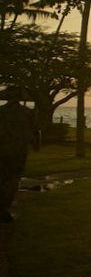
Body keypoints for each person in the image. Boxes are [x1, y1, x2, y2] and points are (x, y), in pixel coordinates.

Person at [1, 87, 40, 222]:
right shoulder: (27, 112)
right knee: (14, 178)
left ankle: (3, 206)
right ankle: (5, 206)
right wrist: (36, 145)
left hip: (3, 150)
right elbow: (36, 132)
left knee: (3, 178)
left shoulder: (1, 112)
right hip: (19, 150)